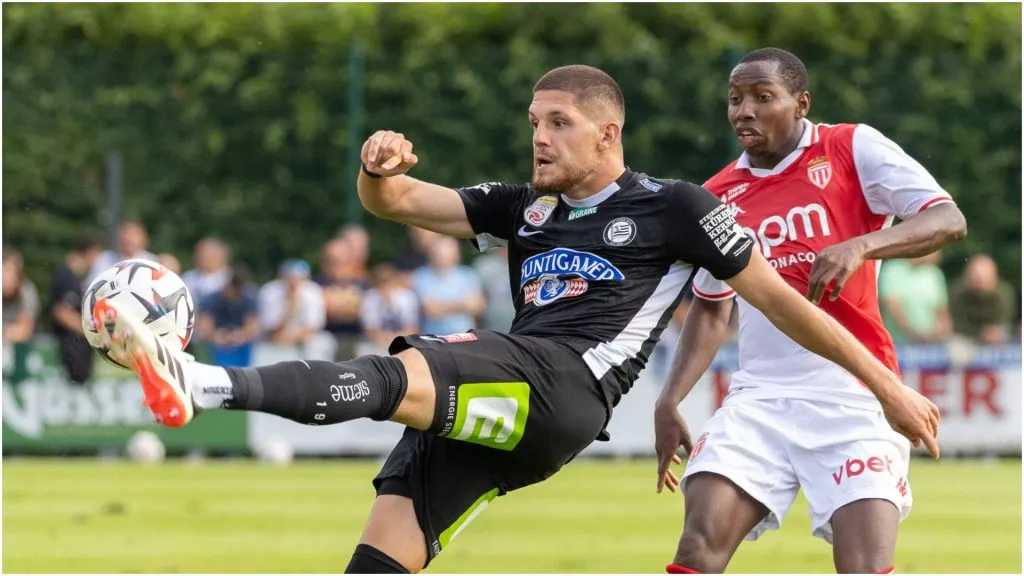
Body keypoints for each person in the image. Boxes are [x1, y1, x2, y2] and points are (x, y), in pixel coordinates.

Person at [94, 64, 939, 575]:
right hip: (508, 393)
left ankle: (204, 381)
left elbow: (785, 306)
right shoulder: (519, 206)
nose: (539, 137)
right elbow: (401, 203)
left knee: (405, 369)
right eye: (534, 123)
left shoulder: (678, 207)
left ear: (607, 133)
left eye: (558, 124)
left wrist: (889, 389)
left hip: (563, 385)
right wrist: (375, 169)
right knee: (385, 547)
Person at [653, 48, 967, 575]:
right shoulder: (717, 197)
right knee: (696, 552)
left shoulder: (851, 147)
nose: (743, 111)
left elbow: (948, 219)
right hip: (760, 399)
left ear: (802, 103)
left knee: (863, 567)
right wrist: (669, 399)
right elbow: (710, 310)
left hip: (858, 397)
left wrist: (862, 245)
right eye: (734, 100)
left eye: (761, 97)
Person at [50, 235, 104, 384]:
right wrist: (91, 331)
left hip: (75, 347)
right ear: (91, 252)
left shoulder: (77, 278)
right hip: (70, 347)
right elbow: (62, 312)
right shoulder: (67, 278)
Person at [948, 254, 1015, 344]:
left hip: (996, 338)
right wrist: (981, 334)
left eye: (983, 279)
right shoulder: (957, 293)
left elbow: (1005, 320)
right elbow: (956, 323)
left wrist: (995, 332)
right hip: (965, 338)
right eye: (975, 278)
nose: (979, 284)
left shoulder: (1004, 293)